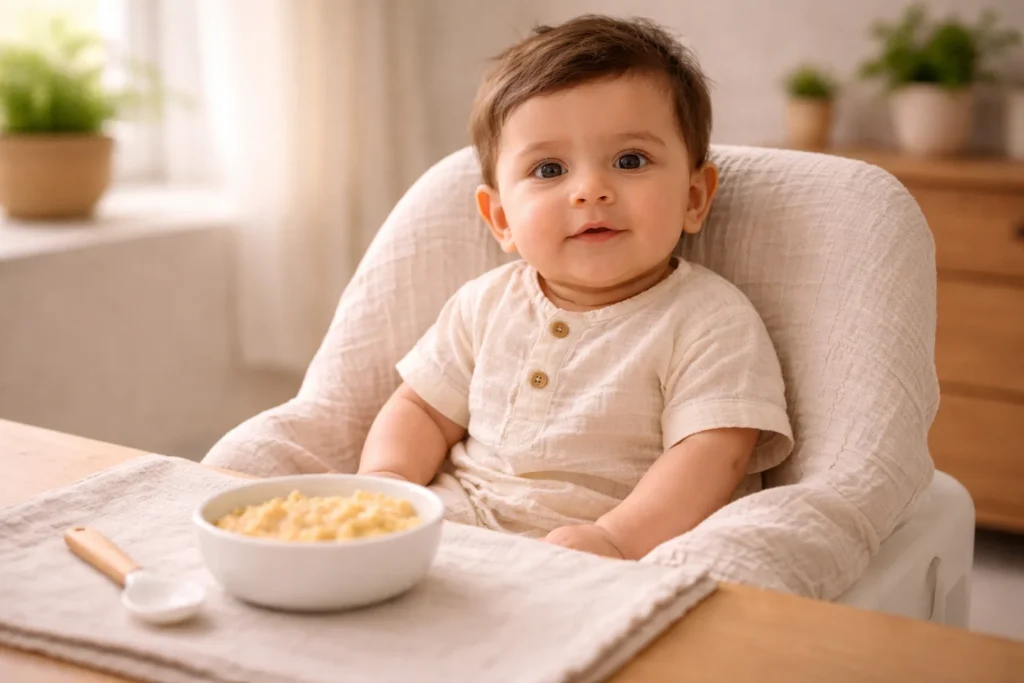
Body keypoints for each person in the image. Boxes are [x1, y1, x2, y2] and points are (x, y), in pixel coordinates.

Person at [356, 14, 794, 560]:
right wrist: (387, 482)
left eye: (629, 160)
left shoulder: (708, 319)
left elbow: (715, 451)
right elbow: (422, 409)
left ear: (694, 197)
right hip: (454, 526)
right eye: (548, 170)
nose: (590, 190)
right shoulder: (484, 304)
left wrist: (616, 537)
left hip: (594, 550)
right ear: (500, 219)